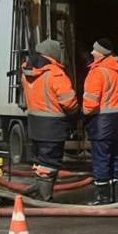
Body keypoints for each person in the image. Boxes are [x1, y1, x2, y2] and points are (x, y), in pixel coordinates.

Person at [22, 39, 79, 201]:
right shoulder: (55, 73)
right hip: (53, 126)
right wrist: (76, 113)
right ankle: (45, 198)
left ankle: (40, 193)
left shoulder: (27, 71)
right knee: (50, 162)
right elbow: (69, 102)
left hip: (34, 123)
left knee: (41, 161)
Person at [83, 38, 118, 205]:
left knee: (101, 159)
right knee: (116, 157)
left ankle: (102, 197)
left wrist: (83, 114)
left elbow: (90, 104)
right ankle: (117, 196)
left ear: (101, 53)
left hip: (101, 122)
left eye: (94, 50)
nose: (91, 53)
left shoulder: (97, 72)